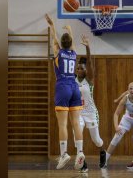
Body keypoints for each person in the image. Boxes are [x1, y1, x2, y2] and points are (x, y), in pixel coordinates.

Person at [45, 14, 85, 170]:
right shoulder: (74, 54)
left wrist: (52, 25)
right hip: (75, 87)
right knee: (76, 123)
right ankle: (80, 152)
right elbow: (70, 44)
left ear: (61, 44)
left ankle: (64, 154)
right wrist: (70, 31)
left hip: (62, 86)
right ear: (70, 44)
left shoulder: (58, 53)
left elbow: (54, 40)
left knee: (62, 124)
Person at [74, 35, 106, 171]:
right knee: (77, 138)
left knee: (96, 140)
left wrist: (87, 46)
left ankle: (103, 152)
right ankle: (83, 164)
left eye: (82, 68)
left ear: (86, 70)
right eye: (78, 68)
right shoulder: (72, 81)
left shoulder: (89, 79)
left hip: (91, 112)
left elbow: (90, 63)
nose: (80, 70)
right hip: (78, 112)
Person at [103, 82, 133, 168]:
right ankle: (104, 160)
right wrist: (116, 127)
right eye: (130, 89)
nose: (132, 90)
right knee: (116, 137)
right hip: (127, 118)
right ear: (128, 90)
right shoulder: (125, 99)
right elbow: (116, 114)